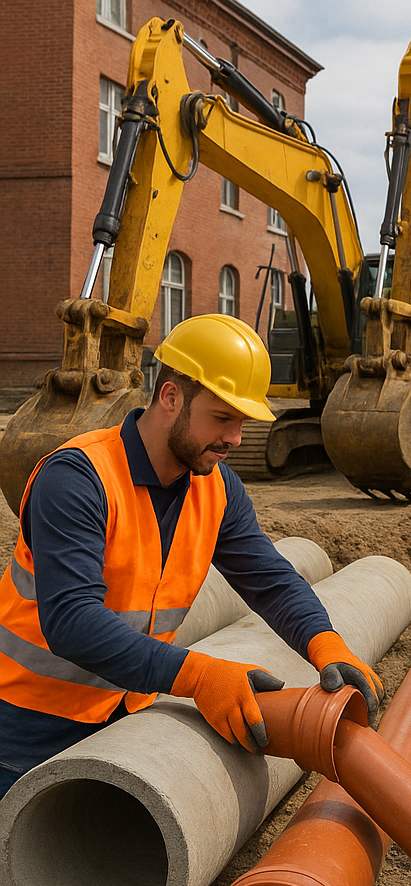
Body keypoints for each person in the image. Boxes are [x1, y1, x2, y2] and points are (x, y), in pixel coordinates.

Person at [0, 314, 384, 800]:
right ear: (170, 397)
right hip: (25, 721)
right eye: (223, 418)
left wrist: (325, 641)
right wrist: (199, 675)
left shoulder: (217, 488)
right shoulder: (78, 478)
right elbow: (73, 620)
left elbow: (268, 578)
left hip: (125, 712)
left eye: (242, 422)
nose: (235, 439)